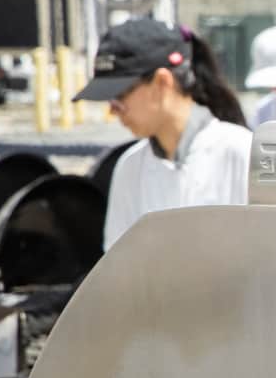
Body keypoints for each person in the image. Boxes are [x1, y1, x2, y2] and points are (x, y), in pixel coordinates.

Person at [76, 18, 253, 249]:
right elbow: (120, 266)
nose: (112, 110)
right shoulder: (130, 168)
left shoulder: (243, 153)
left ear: (162, 82)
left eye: (118, 97)